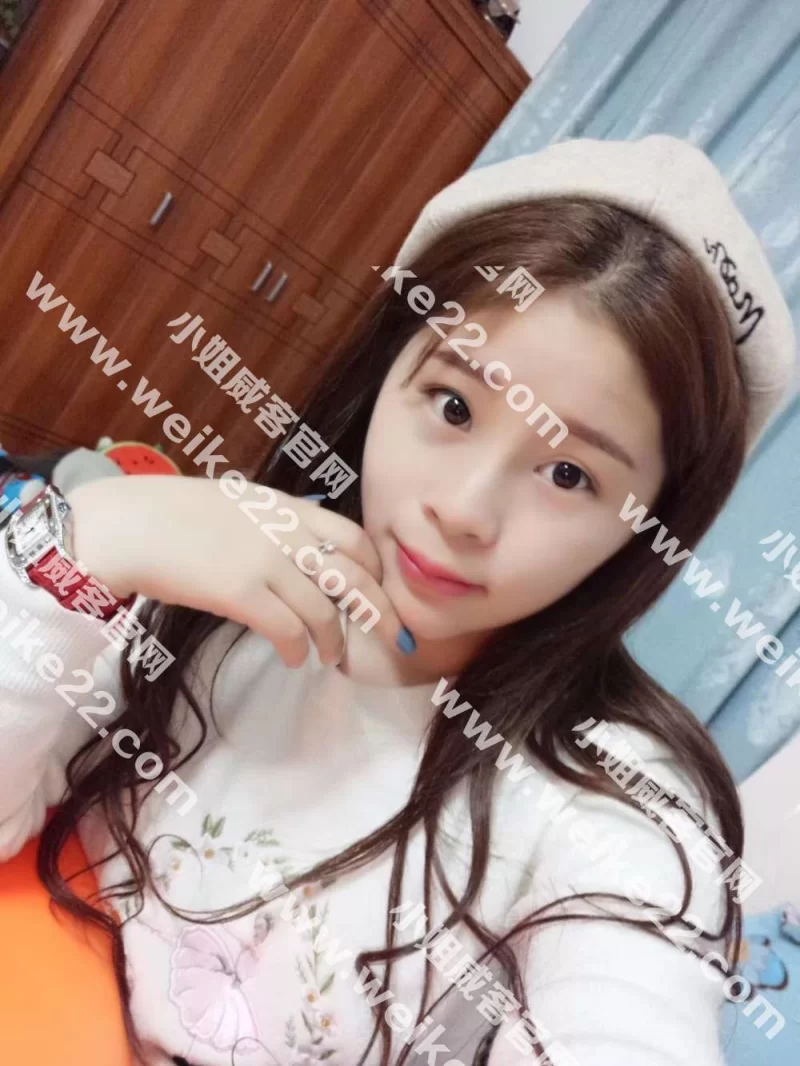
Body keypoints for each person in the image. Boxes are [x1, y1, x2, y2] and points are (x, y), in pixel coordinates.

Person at [0, 134, 795, 1066]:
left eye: (569, 474)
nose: (462, 510)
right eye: (454, 406)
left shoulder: (612, 806)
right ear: (390, 368)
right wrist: (83, 548)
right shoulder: (215, 580)